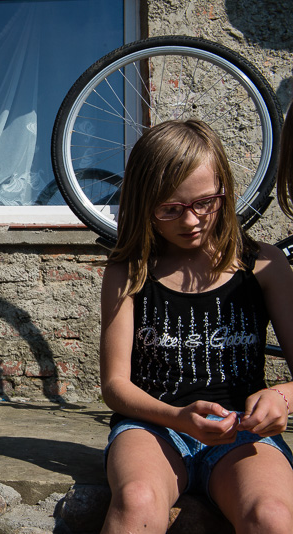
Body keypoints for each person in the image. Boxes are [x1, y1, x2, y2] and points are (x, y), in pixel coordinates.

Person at [99, 119, 293, 533]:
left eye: (205, 203)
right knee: (137, 499)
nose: (190, 221)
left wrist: (281, 397)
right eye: (170, 209)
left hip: (242, 430)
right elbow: (115, 385)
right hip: (155, 426)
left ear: (225, 190)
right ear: (143, 203)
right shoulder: (128, 271)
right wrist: (177, 416)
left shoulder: (265, 265)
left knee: (271, 515)